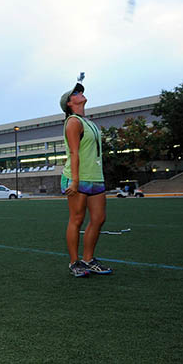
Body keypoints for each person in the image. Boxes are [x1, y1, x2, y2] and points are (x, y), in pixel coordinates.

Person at [60, 82, 113, 277]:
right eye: (75, 92)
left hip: (94, 177)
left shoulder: (89, 122)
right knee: (77, 219)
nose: (80, 93)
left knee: (99, 218)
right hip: (77, 177)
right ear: (69, 103)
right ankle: (75, 263)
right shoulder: (73, 121)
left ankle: (88, 260)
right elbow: (74, 152)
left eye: (80, 91)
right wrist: (74, 181)